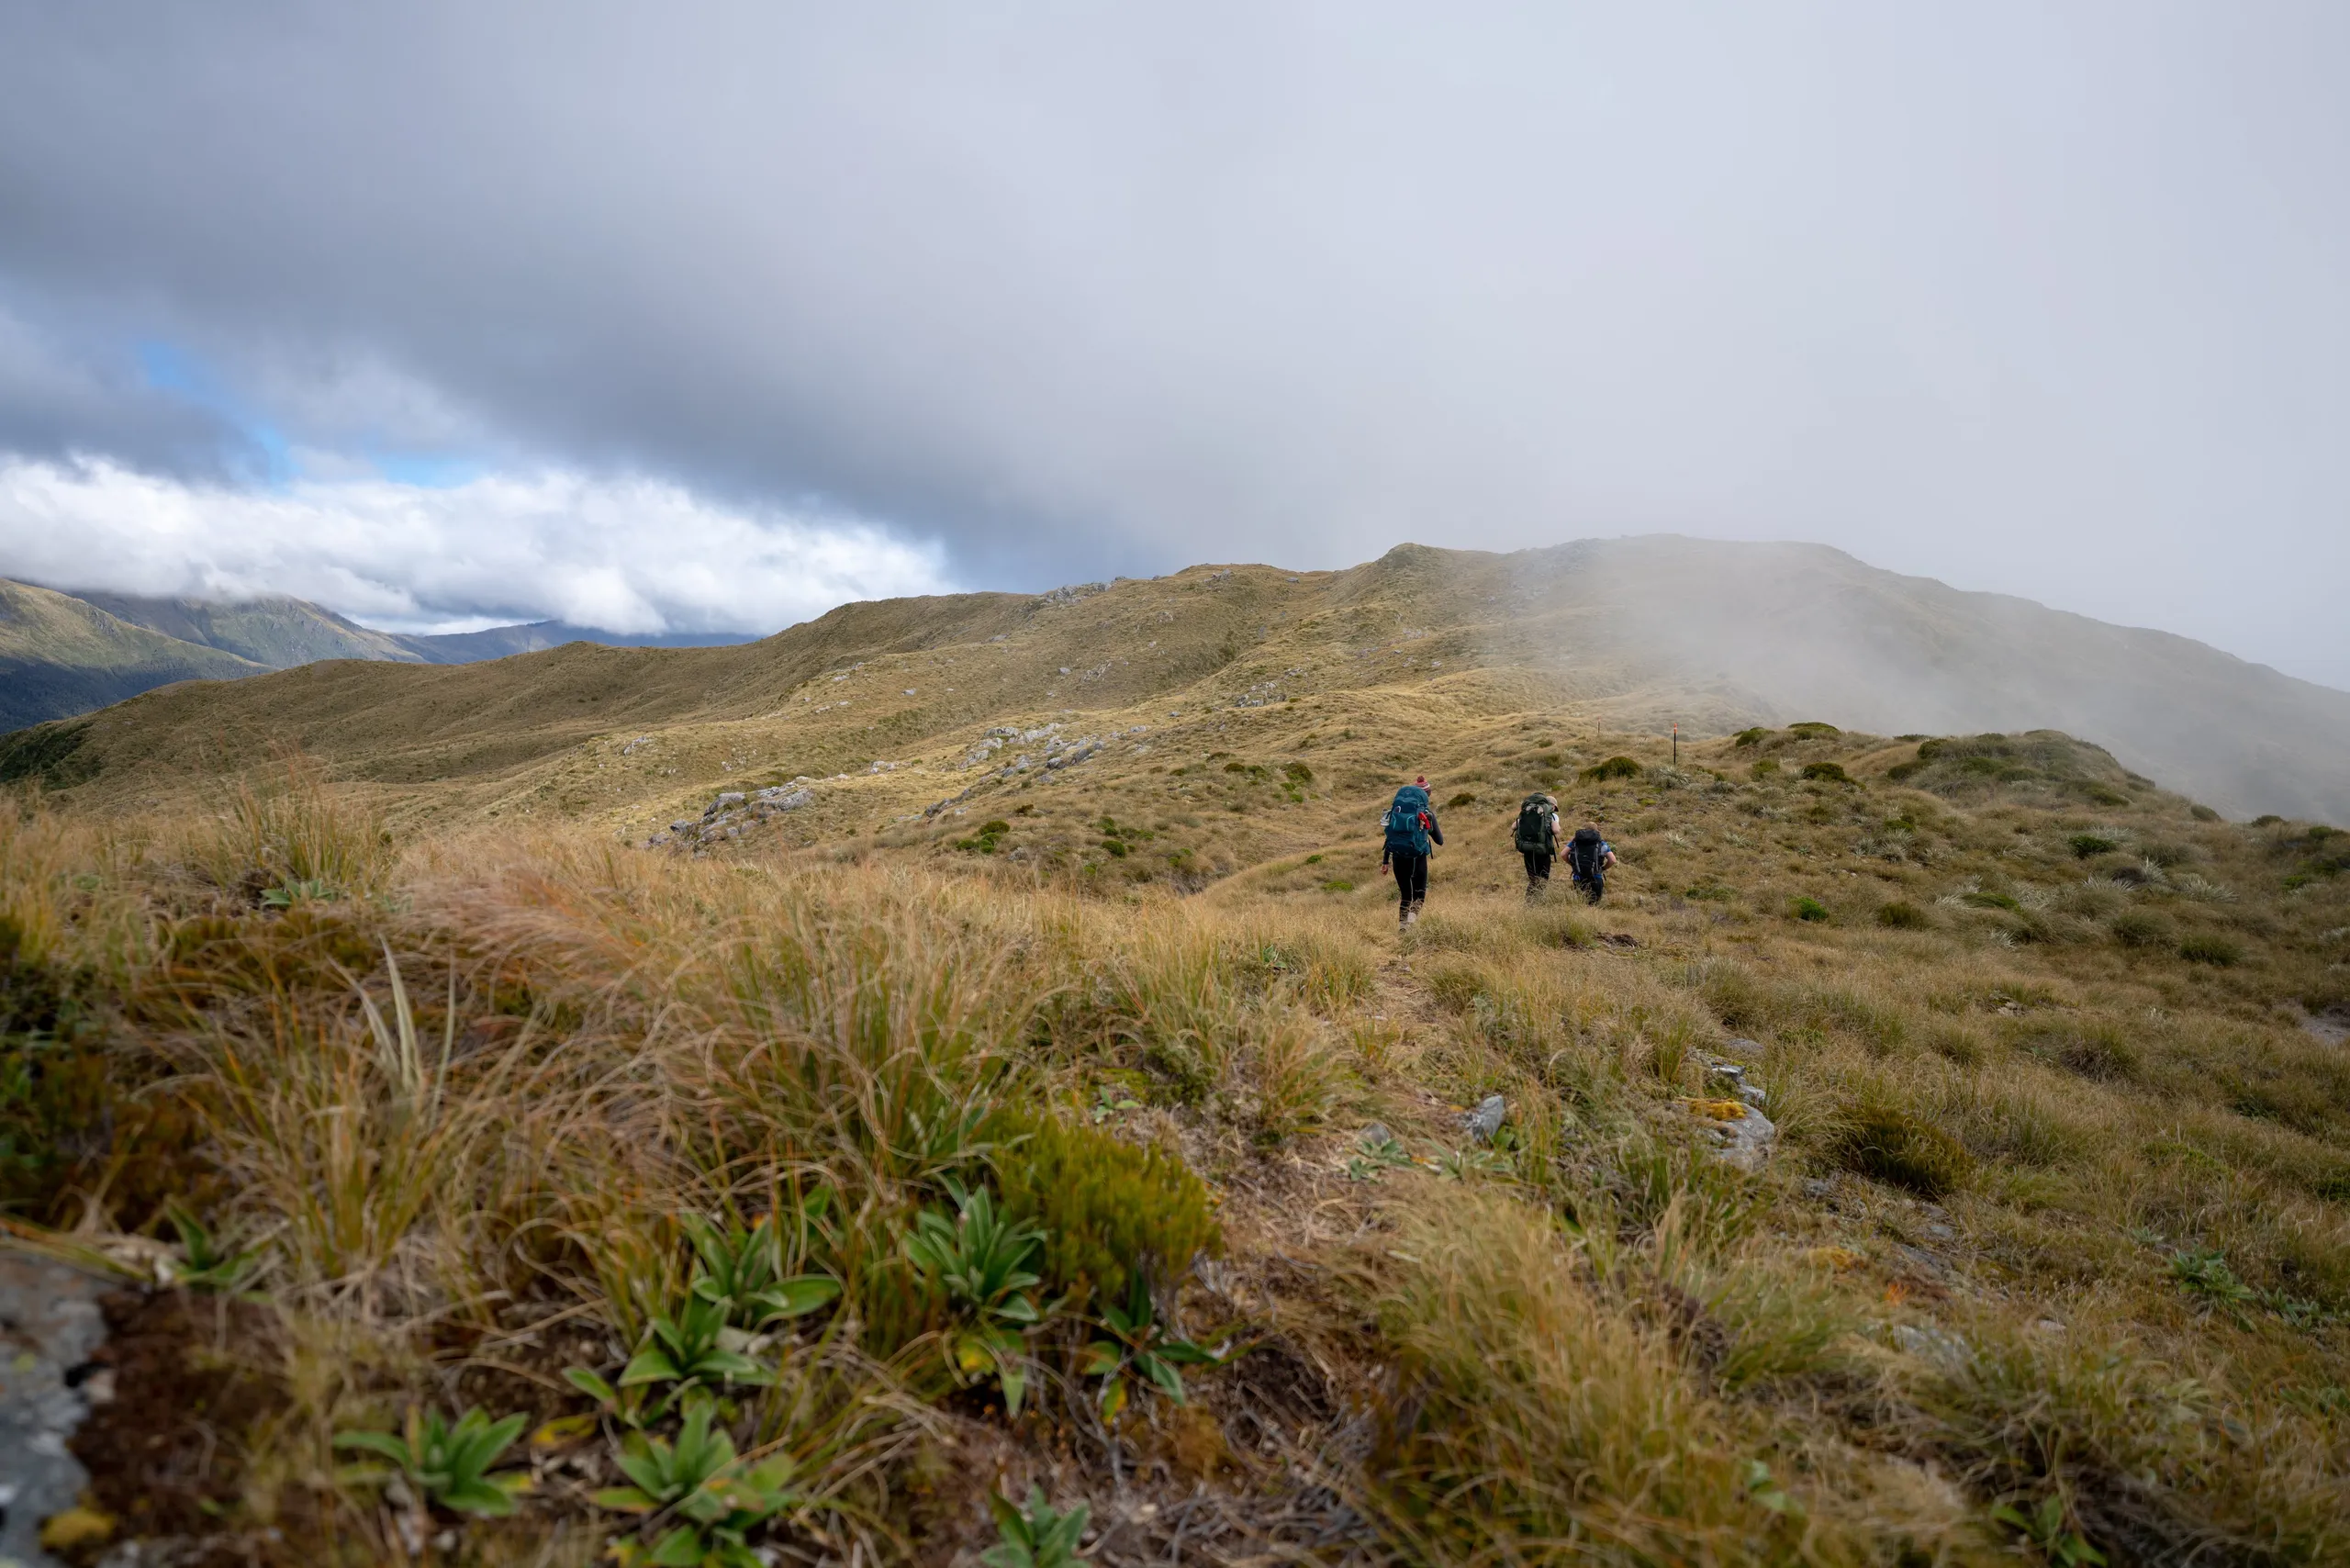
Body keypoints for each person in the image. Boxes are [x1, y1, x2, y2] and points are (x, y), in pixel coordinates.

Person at [1380, 774, 1445, 927]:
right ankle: (1411, 927)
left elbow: (1390, 837)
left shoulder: (1396, 811)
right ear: (1427, 795)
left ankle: (1403, 927)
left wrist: (1385, 861)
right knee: (1419, 896)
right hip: (1417, 858)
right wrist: (1429, 828)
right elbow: (1440, 841)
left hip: (1397, 856)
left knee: (1405, 896)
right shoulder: (1427, 814)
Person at [1513, 790, 1562, 899]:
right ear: (1553, 806)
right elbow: (1556, 830)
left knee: (1533, 877)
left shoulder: (1528, 812)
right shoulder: (1552, 815)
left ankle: (1530, 900)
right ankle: (1537, 901)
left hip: (1527, 848)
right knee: (1543, 877)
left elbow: (1513, 826)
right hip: (1542, 849)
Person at [1566, 823, 1617, 904]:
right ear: (1596, 830)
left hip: (1578, 876)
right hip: (1596, 877)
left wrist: (1572, 864)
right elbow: (1613, 860)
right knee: (1594, 903)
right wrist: (1603, 868)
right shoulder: (1601, 843)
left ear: (1584, 829)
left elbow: (1563, 854)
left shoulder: (1575, 842)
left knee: (1580, 902)